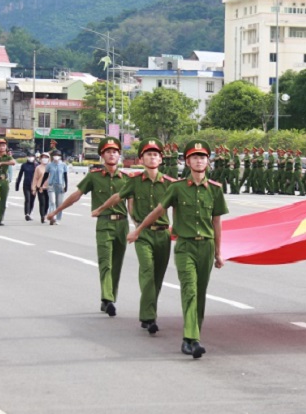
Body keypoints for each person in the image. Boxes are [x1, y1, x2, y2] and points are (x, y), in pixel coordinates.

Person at [130, 139, 228, 359]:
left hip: (207, 246)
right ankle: (189, 340)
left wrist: (219, 253)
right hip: (185, 246)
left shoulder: (215, 190)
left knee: (200, 294)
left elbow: (217, 223)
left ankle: (195, 336)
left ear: (208, 162)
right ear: (187, 161)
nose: (199, 160)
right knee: (190, 290)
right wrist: (138, 230)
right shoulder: (177, 188)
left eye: (202, 157)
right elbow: (158, 211)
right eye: (194, 157)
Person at [94, 138, 175, 335]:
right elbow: (118, 197)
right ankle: (148, 317)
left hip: (163, 235)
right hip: (143, 234)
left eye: (156, 154)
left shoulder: (171, 184)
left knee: (157, 277)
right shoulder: (135, 181)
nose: (152, 157)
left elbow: (181, 208)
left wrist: (177, 228)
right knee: (147, 271)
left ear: (161, 159)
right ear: (141, 158)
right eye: (148, 154)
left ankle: (149, 311)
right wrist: (101, 208)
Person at [47, 137, 128, 317]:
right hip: (104, 223)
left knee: (117, 264)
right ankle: (108, 299)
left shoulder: (127, 179)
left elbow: (134, 205)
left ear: (119, 155)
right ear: (102, 155)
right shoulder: (94, 176)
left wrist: (139, 226)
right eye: (108, 152)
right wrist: (56, 211)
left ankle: (109, 297)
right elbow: (76, 195)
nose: (112, 154)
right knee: (105, 262)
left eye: (115, 152)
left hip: (123, 225)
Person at [46, 149, 68, 225]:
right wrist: (41, 185)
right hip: (51, 185)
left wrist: (66, 186)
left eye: (58, 155)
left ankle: (58, 218)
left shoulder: (64, 165)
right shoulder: (49, 165)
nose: (56, 157)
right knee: (52, 202)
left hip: (61, 185)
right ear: (52, 157)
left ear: (60, 156)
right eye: (55, 155)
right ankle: (53, 218)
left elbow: (65, 176)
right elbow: (46, 175)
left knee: (59, 203)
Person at [15, 153, 38, 221]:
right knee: (27, 199)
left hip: (34, 185)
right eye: (29, 156)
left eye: (32, 156)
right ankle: (27, 214)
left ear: (34, 157)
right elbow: (20, 175)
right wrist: (17, 185)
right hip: (26, 185)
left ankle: (30, 213)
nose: (30, 158)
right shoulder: (24, 165)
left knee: (32, 200)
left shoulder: (36, 165)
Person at [32, 153, 51, 223]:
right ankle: (42, 216)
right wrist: (34, 188)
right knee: (42, 202)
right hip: (40, 188)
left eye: (46, 157)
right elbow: (35, 178)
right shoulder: (38, 168)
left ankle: (45, 214)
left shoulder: (51, 167)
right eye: (43, 157)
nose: (45, 159)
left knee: (47, 203)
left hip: (49, 188)